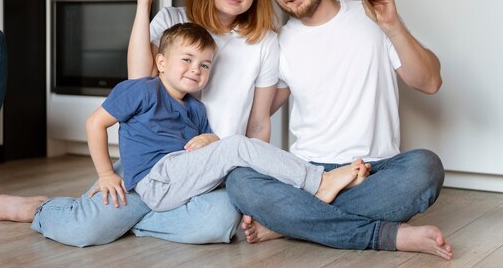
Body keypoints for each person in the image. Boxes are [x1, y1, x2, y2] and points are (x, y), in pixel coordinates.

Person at [0, 0, 281, 247]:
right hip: (151, 163)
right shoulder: (173, 19)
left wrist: (250, 182)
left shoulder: (264, 42)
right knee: (84, 232)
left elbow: (258, 123)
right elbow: (139, 79)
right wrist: (144, 2)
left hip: (210, 172)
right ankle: (43, 207)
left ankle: (120, 220)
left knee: (216, 224)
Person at [224, 0, 453, 260]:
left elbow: (430, 82)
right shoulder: (280, 42)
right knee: (240, 181)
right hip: (308, 174)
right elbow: (256, 115)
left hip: (373, 171)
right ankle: (383, 234)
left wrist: (394, 27)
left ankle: (292, 221)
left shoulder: (371, 18)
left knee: (426, 168)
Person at [89, 22, 369, 212]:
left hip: (181, 175)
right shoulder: (141, 90)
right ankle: (320, 181)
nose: (195, 69)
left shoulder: (196, 109)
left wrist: (211, 139)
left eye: (204, 65)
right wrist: (105, 174)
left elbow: (208, 150)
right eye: (186, 59)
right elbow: (95, 123)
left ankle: (300, 199)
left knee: (242, 168)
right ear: (161, 62)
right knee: (236, 145)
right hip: (156, 181)